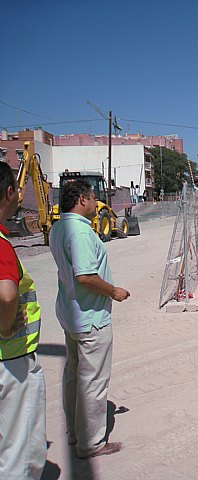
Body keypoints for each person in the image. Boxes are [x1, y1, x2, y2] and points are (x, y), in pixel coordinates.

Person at [49, 180, 130, 458]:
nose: (96, 203)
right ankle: (92, 443)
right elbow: (84, 276)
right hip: (91, 317)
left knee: (74, 375)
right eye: (94, 198)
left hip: (72, 315)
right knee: (92, 381)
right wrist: (113, 291)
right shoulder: (81, 233)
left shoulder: (58, 227)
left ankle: (74, 433)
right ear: (82, 199)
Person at [0, 161, 47, 479]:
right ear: (8, 193)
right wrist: (5, 328)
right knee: (20, 453)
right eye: (17, 189)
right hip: (12, 360)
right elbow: (7, 295)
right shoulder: (2, 247)